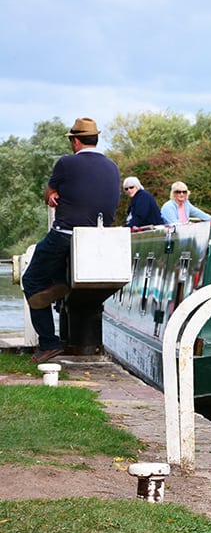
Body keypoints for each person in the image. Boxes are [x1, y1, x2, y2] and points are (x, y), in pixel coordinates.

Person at [21, 117, 120, 363]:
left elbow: (48, 194)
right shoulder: (112, 166)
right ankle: (60, 283)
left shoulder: (65, 163)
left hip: (65, 234)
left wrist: (54, 195)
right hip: (98, 239)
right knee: (64, 273)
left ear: (75, 141)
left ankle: (48, 342)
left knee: (31, 279)